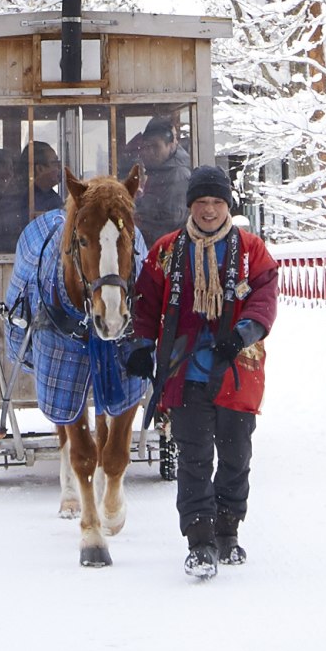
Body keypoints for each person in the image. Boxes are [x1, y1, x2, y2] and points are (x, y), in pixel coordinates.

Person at [123, 164, 277, 580]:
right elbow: (145, 304)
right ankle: (200, 542)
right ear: (189, 205)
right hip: (185, 371)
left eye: (217, 202)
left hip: (236, 372)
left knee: (235, 457)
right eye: (201, 202)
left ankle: (228, 531)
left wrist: (243, 333)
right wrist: (141, 347)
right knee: (193, 459)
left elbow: (264, 298)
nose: (209, 210)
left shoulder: (252, 251)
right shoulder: (167, 251)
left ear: (228, 205)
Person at [129, 116, 192, 241]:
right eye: (146, 147)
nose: (149, 152)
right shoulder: (159, 170)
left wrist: (141, 225)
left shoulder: (178, 174)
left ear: (170, 145)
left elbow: (171, 221)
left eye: (155, 147)